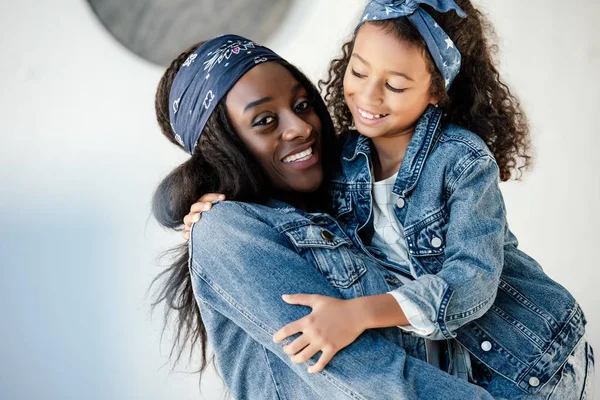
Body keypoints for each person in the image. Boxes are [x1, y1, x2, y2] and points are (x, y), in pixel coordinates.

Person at [183, 1, 594, 398]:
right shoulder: (341, 158)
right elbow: (290, 212)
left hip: (528, 363)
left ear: (437, 90)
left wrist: (360, 313)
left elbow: (473, 284)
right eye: (358, 73)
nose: (369, 97)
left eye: (395, 85)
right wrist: (212, 206)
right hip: (447, 371)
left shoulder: (463, 163)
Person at [152, 34, 496, 399]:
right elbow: (374, 380)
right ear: (222, 144)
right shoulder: (224, 230)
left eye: (302, 105)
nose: (301, 128)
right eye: (265, 120)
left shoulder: (349, 191)